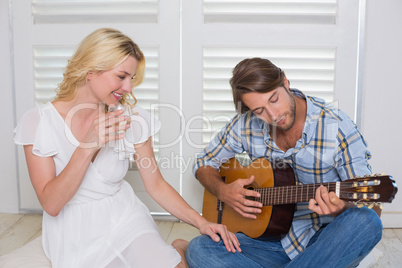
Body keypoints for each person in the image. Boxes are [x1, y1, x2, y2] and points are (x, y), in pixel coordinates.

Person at [14, 28, 240, 268]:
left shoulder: (132, 118)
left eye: (131, 79)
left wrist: (201, 223)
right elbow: (52, 205)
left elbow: (156, 185)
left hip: (125, 219)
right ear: (91, 70)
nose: (129, 88)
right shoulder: (39, 122)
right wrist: (87, 146)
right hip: (74, 232)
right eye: (121, 76)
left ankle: (179, 249)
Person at [186, 58, 383, 267]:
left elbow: (370, 205)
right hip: (272, 242)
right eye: (259, 110)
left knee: (366, 221)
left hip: (325, 245)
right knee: (201, 248)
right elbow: (204, 162)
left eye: (274, 99)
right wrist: (222, 190)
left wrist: (341, 207)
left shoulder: (337, 127)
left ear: (285, 83)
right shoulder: (245, 125)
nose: (273, 115)